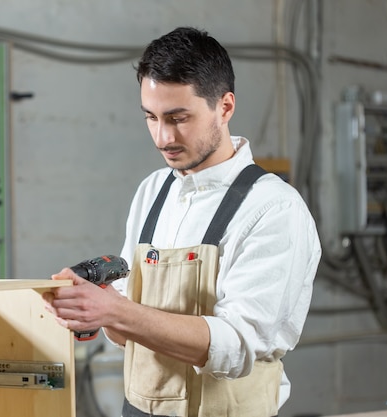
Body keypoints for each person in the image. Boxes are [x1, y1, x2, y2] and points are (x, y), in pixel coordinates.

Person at [43, 26, 321, 417]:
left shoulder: (273, 208)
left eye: (178, 118)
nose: (162, 137)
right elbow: (128, 328)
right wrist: (93, 310)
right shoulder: (154, 190)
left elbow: (237, 344)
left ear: (224, 107)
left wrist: (116, 311)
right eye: (151, 117)